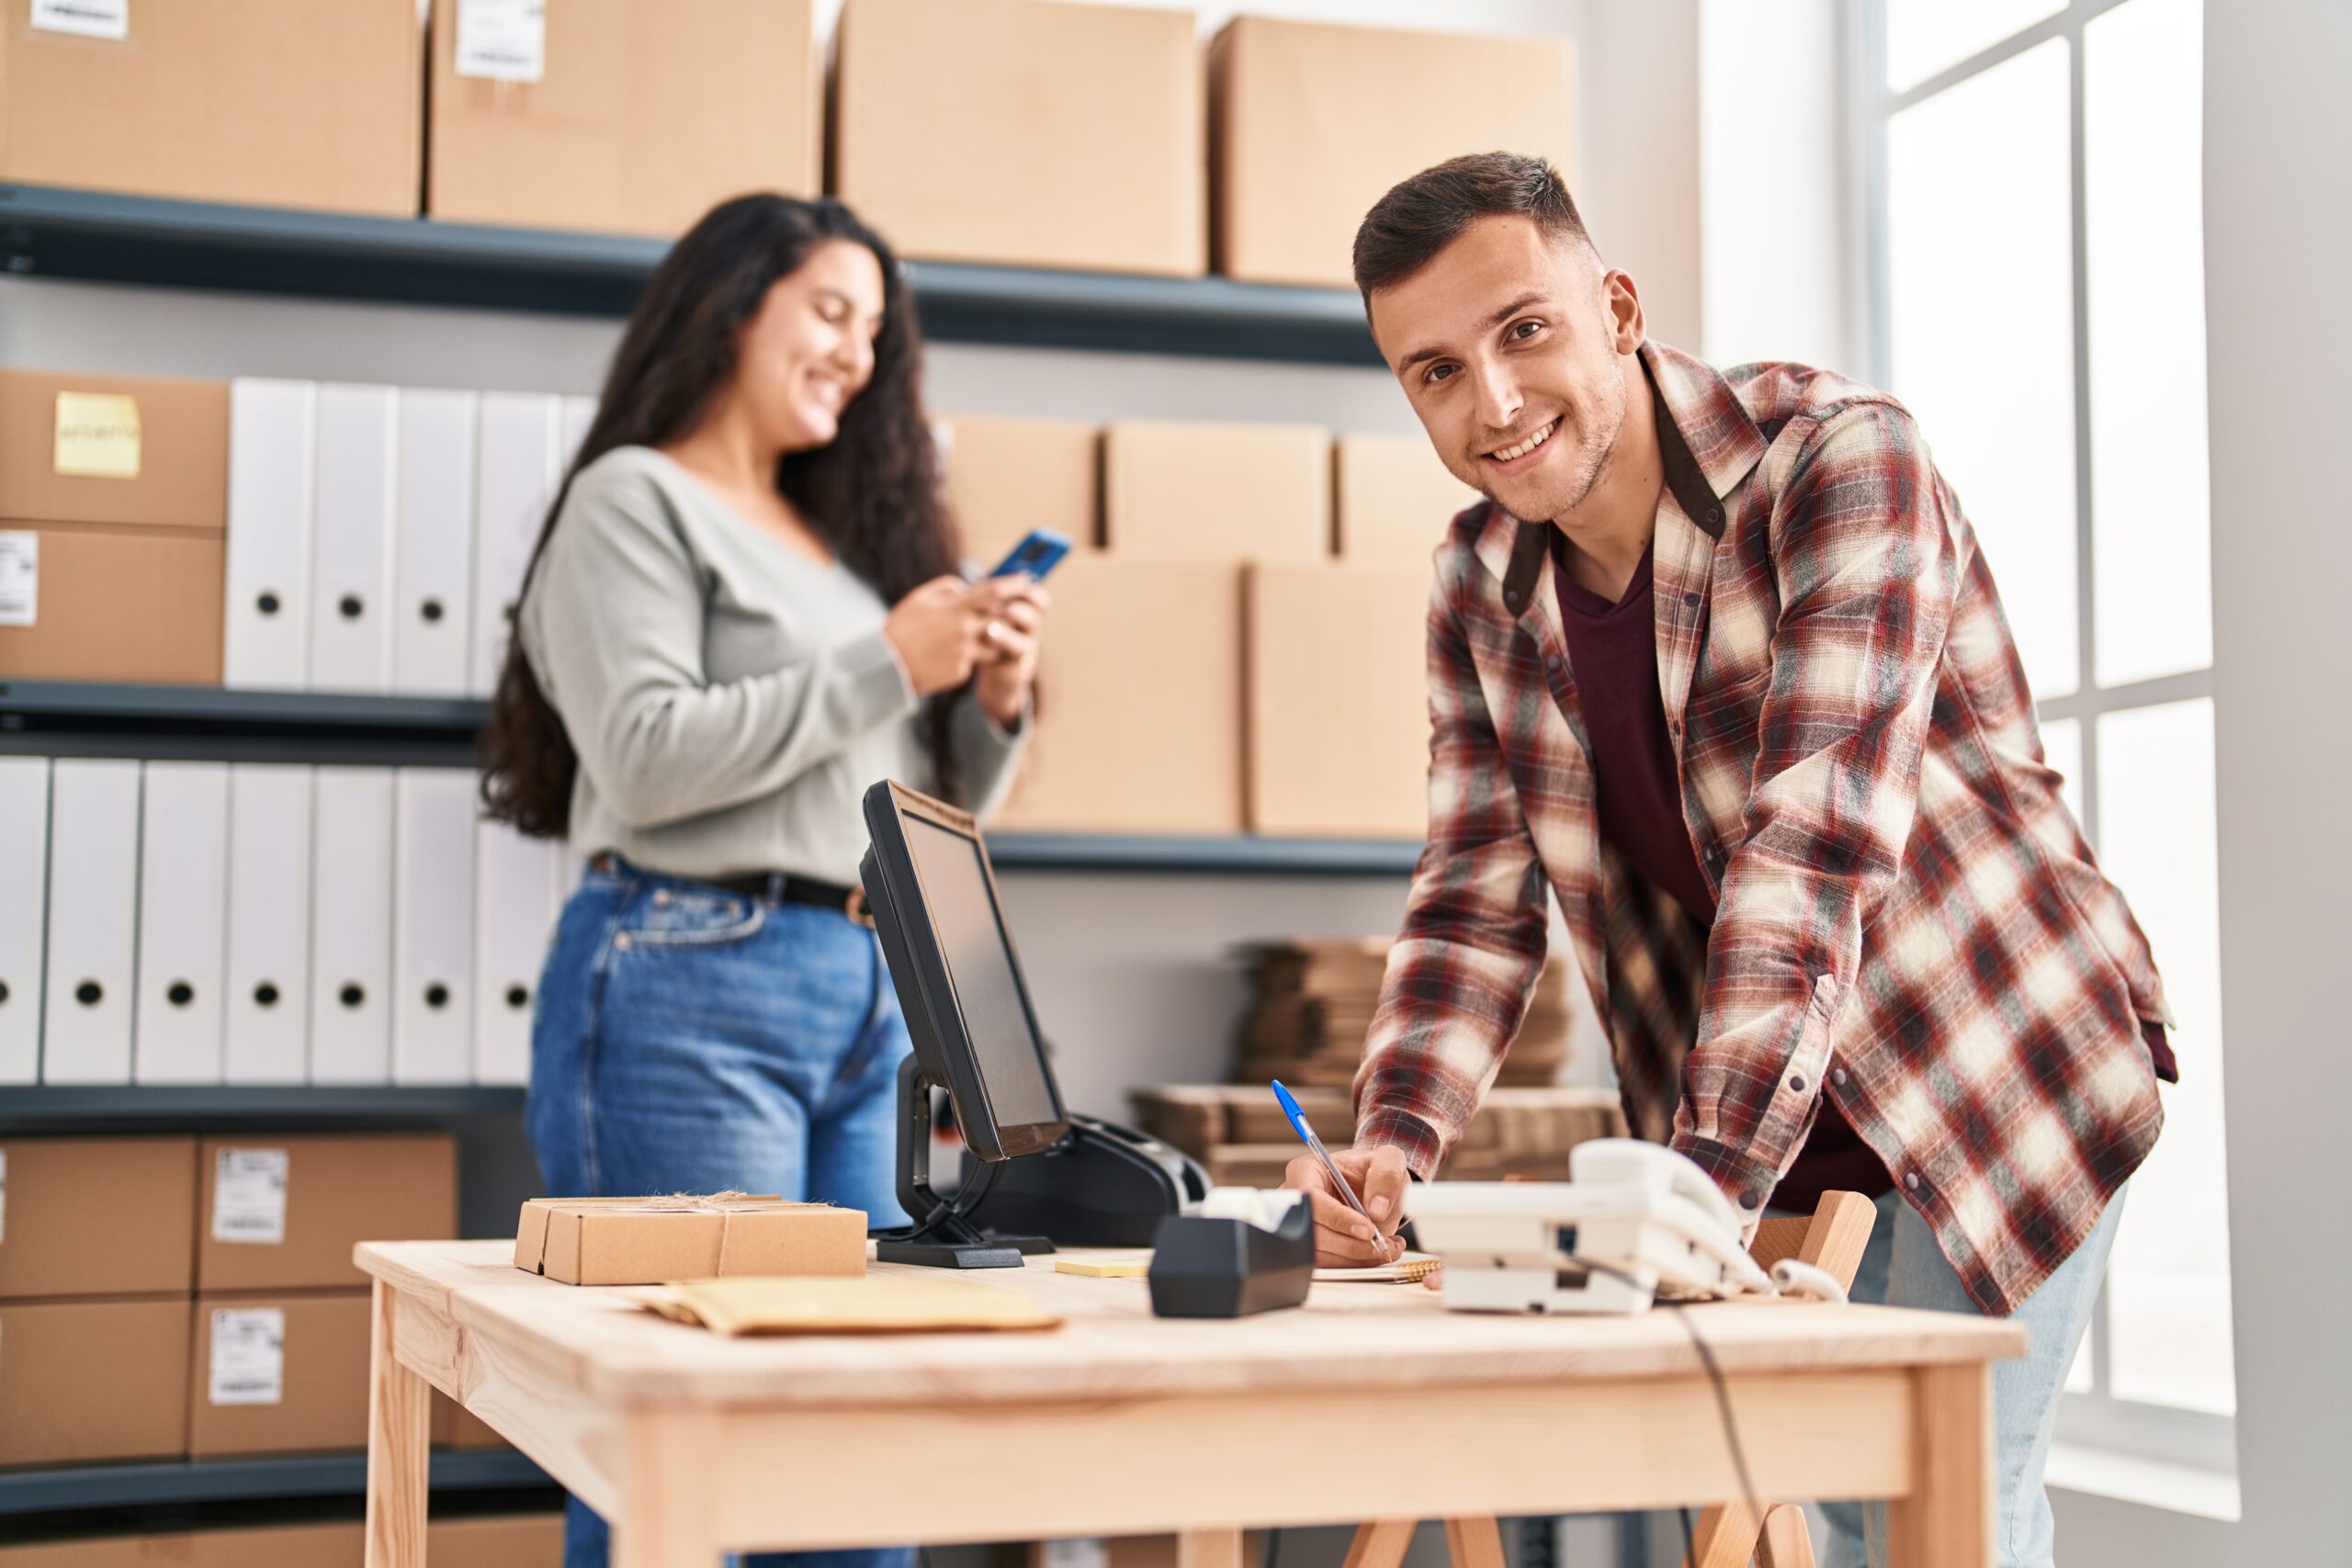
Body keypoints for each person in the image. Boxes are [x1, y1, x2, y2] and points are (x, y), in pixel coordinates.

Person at [1281, 152, 2175, 1568]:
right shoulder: (1477, 584)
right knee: (1820, 1523)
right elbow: (1469, 902)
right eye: (1436, 372)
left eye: (1524, 331)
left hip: (1987, 1067)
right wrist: (1391, 1145)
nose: (1494, 404)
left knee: (1944, 1516)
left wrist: (1686, 1196)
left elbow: (1813, 853)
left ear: (1617, 308)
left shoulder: (1837, 460)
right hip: (1770, 1127)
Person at [479, 193, 1046, 1568]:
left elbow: (917, 815)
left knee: (847, 1437)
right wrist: (889, 663)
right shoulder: (637, 499)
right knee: (690, 1431)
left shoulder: (835, 557)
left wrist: (990, 703)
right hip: (688, 979)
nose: (857, 354)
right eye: (830, 312)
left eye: (875, 333)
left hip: (863, 990)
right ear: (733, 306)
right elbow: (646, 754)